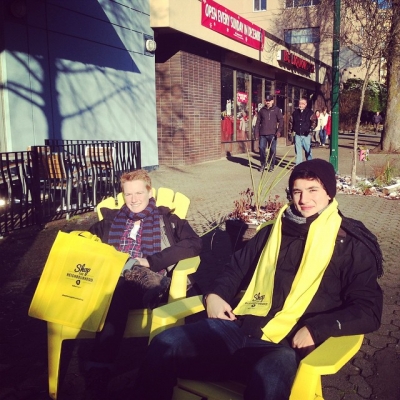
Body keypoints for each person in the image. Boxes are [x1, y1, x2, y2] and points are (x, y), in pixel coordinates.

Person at [134, 159, 383, 400]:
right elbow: (235, 269)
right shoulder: (271, 232)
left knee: (270, 376)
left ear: (329, 192)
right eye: (297, 191)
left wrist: (318, 329)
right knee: (164, 344)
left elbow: (367, 309)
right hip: (239, 326)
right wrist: (216, 295)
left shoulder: (350, 244)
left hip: (285, 344)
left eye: (312, 190)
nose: (304, 199)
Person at [84, 169, 202, 398]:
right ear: (123, 196)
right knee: (118, 288)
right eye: (129, 194)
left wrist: (150, 261)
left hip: (153, 277)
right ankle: (140, 280)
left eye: (139, 192)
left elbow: (194, 244)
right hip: (114, 280)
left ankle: (99, 371)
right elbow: (85, 241)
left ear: (150, 192)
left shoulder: (167, 219)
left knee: (119, 293)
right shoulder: (110, 221)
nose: (134, 199)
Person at [254, 95, 284, 172]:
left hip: (273, 134)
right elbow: (258, 122)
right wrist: (256, 132)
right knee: (261, 148)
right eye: (267, 101)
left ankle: (271, 166)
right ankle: (263, 164)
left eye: (269, 101)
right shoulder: (262, 110)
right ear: (265, 101)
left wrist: (279, 131)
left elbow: (281, 121)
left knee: (272, 150)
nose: (268, 102)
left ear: (272, 101)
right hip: (263, 134)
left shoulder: (277, 110)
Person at [289, 98, 316, 165]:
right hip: (298, 134)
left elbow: (314, 122)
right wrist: (290, 131)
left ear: (306, 104)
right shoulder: (295, 113)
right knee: (298, 152)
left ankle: (310, 164)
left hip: (306, 135)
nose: (300, 105)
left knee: (308, 151)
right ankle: (299, 165)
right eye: (300, 103)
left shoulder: (310, 113)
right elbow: (291, 122)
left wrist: (311, 129)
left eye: (302, 104)